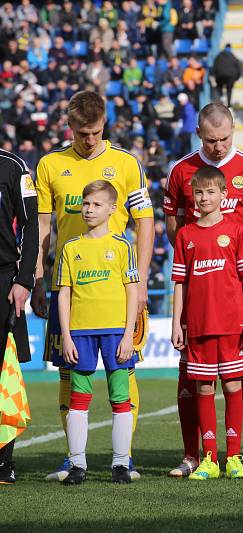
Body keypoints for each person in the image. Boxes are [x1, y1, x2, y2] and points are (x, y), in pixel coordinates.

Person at [32, 91, 154, 482]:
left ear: (106, 125)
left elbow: (145, 222)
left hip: (118, 289)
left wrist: (144, 278)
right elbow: (43, 227)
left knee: (124, 374)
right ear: (70, 126)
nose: (89, 139)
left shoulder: (127, 163)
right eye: (83, 132)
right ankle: (74, 459)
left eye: (96, 132)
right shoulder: (50, 164)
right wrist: (36, 277)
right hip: (69, 285)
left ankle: (125, 458)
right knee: (68, 376)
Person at [165, 102, 243, 477]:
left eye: (225, 138)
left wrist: (241, 261)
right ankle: (192, 454)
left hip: (240, 287)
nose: (218, 146)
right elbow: (174, 226)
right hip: (200, 289)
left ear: (234, 131)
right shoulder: (181, 171)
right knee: (192, 376)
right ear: (199, 133)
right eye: (211, 139)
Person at [171, 166, 243, 481]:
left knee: (233, 384)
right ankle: (209, 458)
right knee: (204, 386)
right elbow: (179, 282)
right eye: (198, 192)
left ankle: (234, 457)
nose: (204, 197)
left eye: (210, 192)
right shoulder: (186, 235)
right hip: (198, 325)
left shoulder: (236, 230)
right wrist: (176, 322)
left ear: (224, 195)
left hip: (233, 324)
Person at [57, 181, 139, 485]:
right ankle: (78, 465)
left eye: (97, 204)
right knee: (79, 398)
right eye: (86, 204)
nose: (90, 209)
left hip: (116, 332)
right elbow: (64, 294)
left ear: (111, 209)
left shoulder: (122, 246)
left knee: (120, 397)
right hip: (80, 333)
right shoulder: (71, 248)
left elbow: (132, 292)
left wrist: (128, 333)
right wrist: (66, 335)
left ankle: (120, 464)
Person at [0, 149, 38, 485]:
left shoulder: (14, 167)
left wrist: (24, 279)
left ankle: (3, 461)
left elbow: (30, 224)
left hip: (3, 281)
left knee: (5, 373)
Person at [212, 44, 241, 108]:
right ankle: (229, 104)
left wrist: (214, 75)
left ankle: (222, 97)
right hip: (231, 76)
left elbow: (214, 66)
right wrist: (237, 77)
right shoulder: (233, 56)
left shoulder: (218, 55)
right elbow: (238, 67)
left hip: (220, 75)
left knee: (219, 86)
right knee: (229, 89)